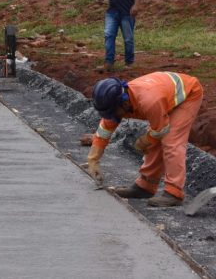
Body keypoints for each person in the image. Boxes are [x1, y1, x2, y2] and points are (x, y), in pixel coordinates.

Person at [87, 73, 203, 207]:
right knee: (154, 141)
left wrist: (145, 140)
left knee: (171, 141)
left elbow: (161, 130)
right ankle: (145, 187)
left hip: (188, 94)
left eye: (113, 112)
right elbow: (104, 131)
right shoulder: (117, 103)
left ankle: (174, 193)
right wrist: (93, 159)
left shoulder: (149, 101)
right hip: (164, 95)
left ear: (125, 103)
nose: (111, 116)